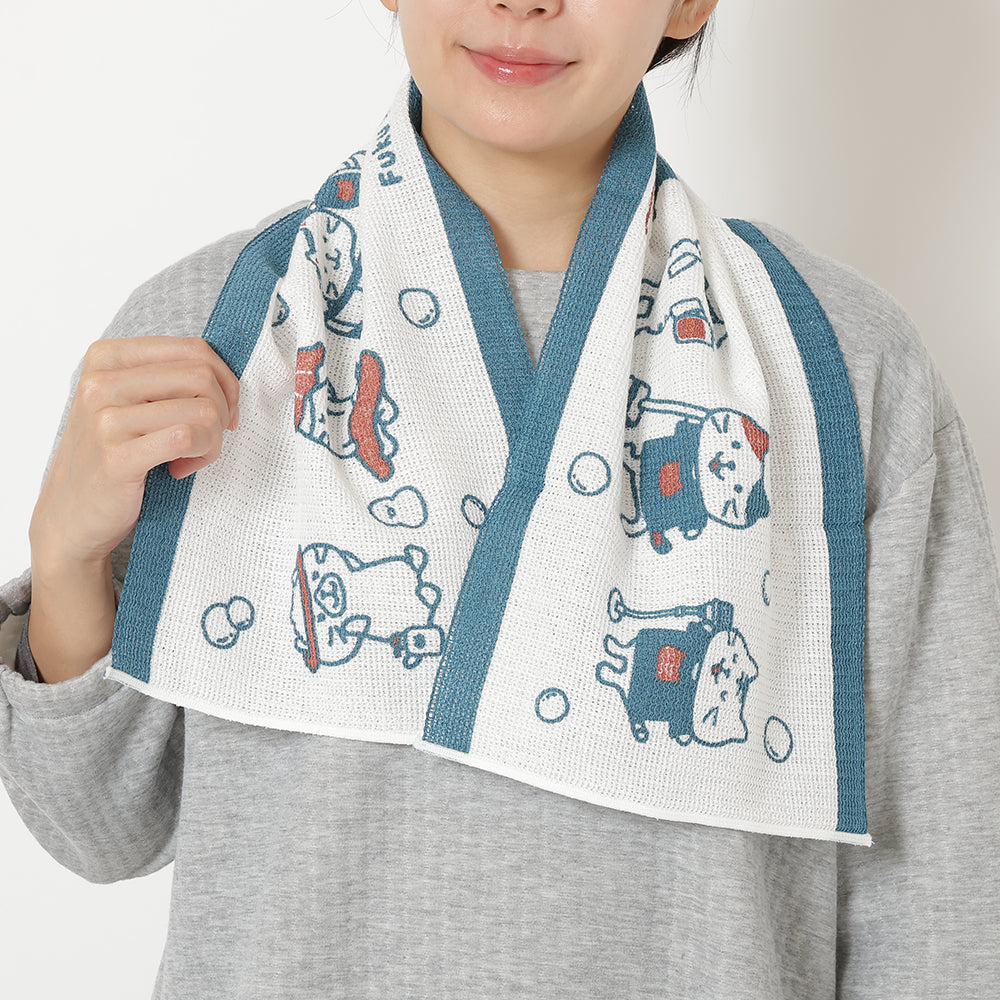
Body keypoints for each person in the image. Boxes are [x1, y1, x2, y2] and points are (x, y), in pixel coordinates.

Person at [2, 1, 998, 997]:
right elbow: (103, 829)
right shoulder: (217, 335)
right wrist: (68, 557)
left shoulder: (839, 370)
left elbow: (943, 905)